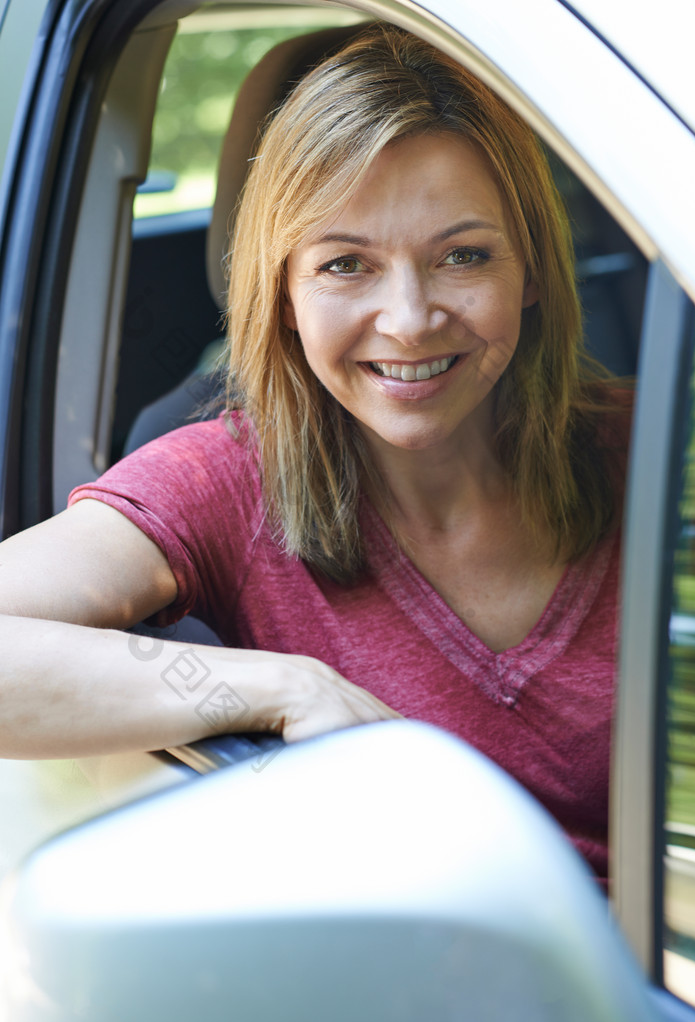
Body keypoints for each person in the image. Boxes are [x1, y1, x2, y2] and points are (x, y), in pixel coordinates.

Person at [0, 25, 629, 887]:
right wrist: (282, 686)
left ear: (532, 270)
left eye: (463, 255)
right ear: (285, 294)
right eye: (346, 265)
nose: (409, 317)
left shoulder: (652, 447)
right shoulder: (223, 480)